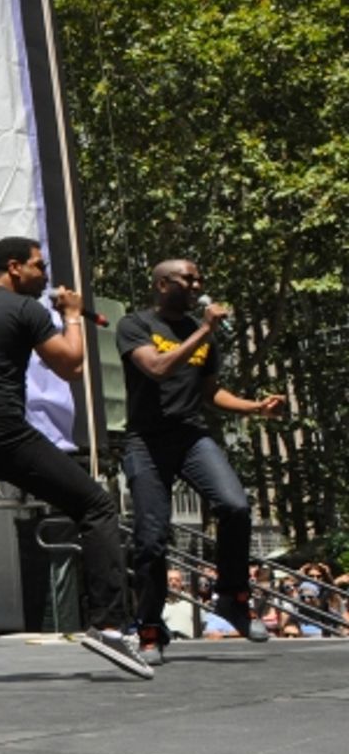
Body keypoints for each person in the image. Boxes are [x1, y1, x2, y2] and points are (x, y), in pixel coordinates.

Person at [0, 236, 151, 686]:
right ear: (14, 267)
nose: (46, 276)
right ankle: (109, 626)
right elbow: (71, 365)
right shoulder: (25, 310)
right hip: (3, 430)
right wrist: (72, 315)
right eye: (40, 266)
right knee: (96, 506)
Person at [117, 258, 286, 661]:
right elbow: (157, 367)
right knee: (151, 539)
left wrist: (255, 407)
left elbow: (210, 393)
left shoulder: (200, 331)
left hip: (192, 437)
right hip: (146, 442)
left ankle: (231, 597)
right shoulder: (135, 325)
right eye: (188, 279)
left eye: (200, 280)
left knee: (235, 506)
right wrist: (205, 331)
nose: (197, 285)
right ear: (162, 284)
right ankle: (150, 628)